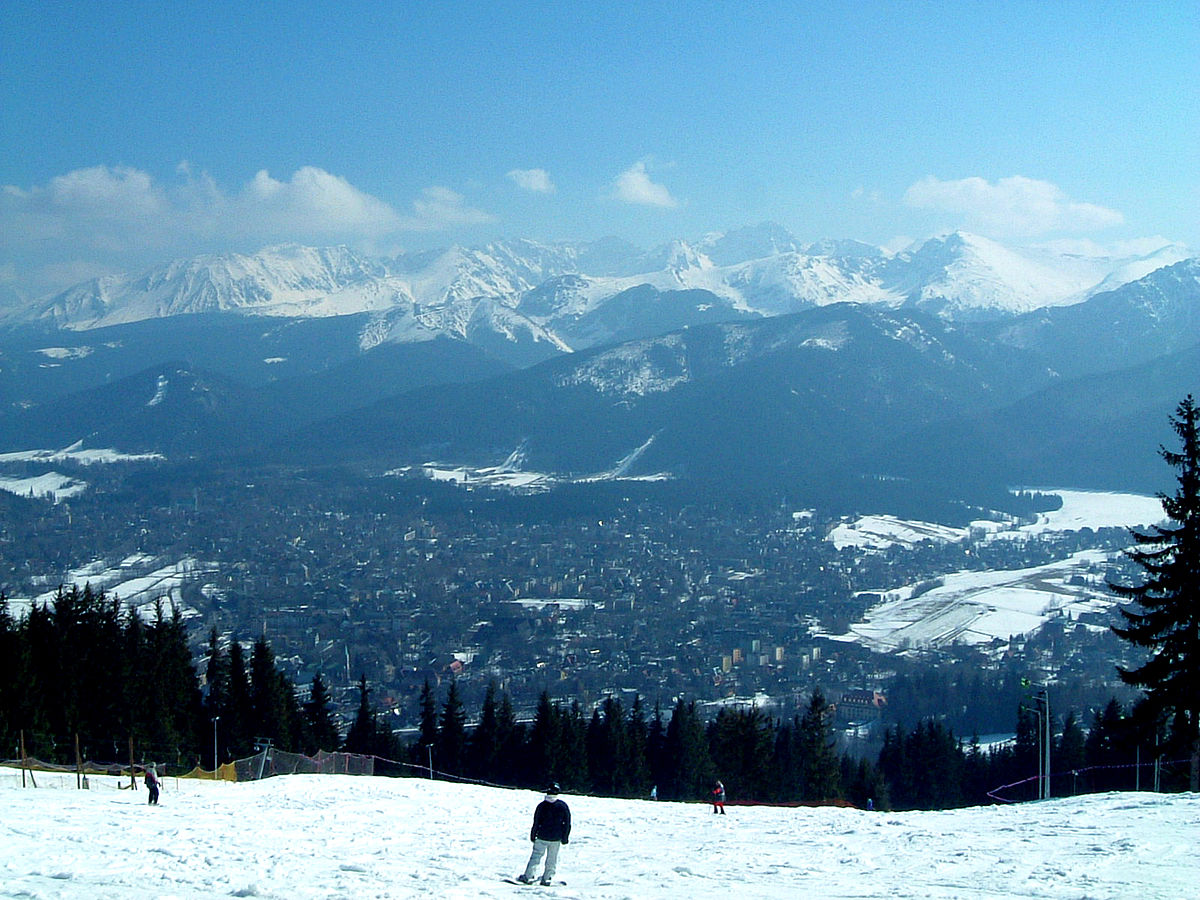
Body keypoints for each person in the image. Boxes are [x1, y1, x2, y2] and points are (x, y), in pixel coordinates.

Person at [517, 783, 571, 886]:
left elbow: (536, 822)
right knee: (552, 858)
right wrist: (565, 837)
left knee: (536, 857)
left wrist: (533, 835)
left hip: (542, 836)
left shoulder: (541, 806)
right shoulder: (562, 806)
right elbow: (567, 823)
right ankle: (547, 878)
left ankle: (528, 876)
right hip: (556, 837)